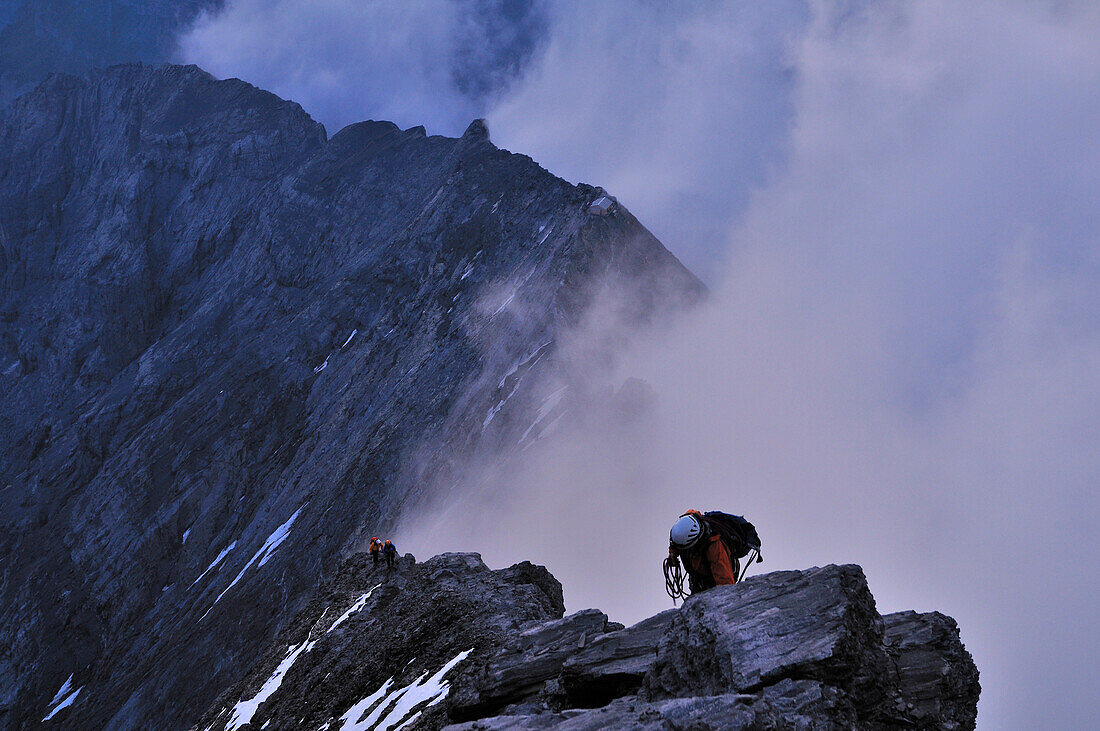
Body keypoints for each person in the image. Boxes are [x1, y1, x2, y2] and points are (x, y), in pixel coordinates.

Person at [666, 510, 739, 597]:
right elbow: (676, 543)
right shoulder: (688, 522)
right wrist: (673, 553)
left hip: (713, 577)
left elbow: (725, 581)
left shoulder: (715, 547)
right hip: (699, 575)